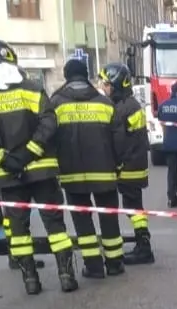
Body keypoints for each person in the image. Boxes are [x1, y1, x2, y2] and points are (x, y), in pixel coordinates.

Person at [0, 39, 78, 295]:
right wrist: (30, 152)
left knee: (18, 230)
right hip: (41, 169)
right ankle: (65, 275)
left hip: (8, 176)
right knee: (55, 224)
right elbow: (49, 123)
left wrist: (4, 157)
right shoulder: (32, 88)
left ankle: (30, 280)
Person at [50, 56, 125, 280]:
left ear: (66, 76)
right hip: (104, 173)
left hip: (72, 175)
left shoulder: (56, 104)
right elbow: (119, 140)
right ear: (86, 75)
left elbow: (48, 137)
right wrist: (118, 165)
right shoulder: (105, 104)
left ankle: (93, 267)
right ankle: (114, 264)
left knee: (82, 222)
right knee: (109, 219)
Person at [101, 62, 155, 265]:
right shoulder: (130, 104)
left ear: (116, 85)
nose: (103, 88)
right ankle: (143, 244)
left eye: (106, 84)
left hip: (128, 168)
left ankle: (144, 247)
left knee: (133, 206)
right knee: (134, 206)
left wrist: (116, 165)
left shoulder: (122, 108)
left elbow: (120, 141)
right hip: (134, 165)